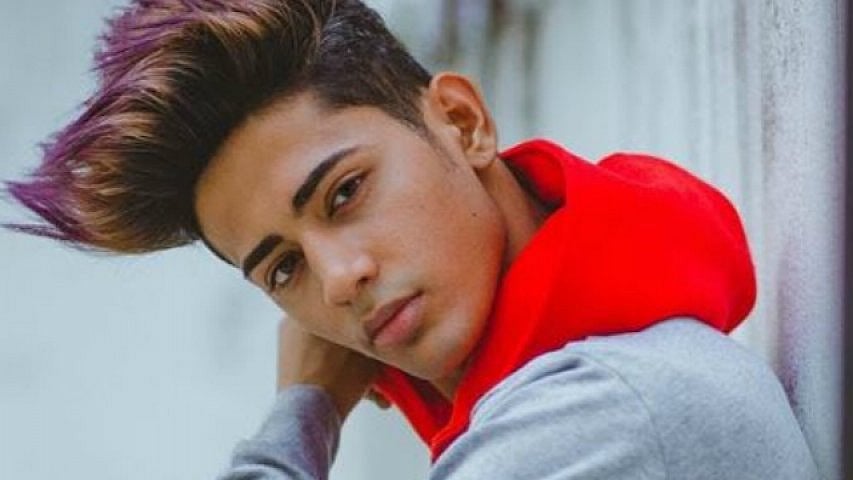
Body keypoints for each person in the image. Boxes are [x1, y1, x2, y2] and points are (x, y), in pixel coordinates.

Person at [5, 0, 819, 478]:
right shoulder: (589, 386)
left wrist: (303, 413)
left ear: (461, 122)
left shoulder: (596, 416)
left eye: (344, 192)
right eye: (283, 268)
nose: (338, 279)